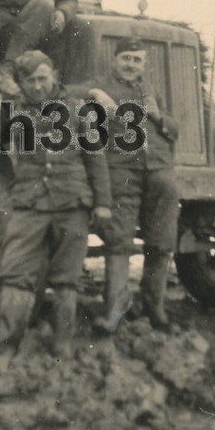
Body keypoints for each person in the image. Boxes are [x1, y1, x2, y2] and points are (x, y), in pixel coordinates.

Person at [0, 50, 112, 360]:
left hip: (72, 202)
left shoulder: (78, 110)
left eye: (42, 78)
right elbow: (4, 142)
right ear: (21, 83)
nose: (37, 86)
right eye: (29, 80)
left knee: (66, 278)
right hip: (29, 201)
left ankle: (62, 345)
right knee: (15, 271)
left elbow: (95, 159)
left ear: (54, 77)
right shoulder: (15, 112)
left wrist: (103, 203)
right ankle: (8, 343)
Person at [87, 37, 182, 333]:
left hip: (158, 172)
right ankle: (114, 309)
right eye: (126, 58)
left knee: (162, 240)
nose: (131, 65)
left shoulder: (150, 91)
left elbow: (174, 130)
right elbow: (69, 93)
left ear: (144, 64)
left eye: (137, 60)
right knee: (119, 241)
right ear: (115, 61)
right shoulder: (102, 85)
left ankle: (154, 307)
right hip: (123, 172)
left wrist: (158, 115)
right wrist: (94, 94)